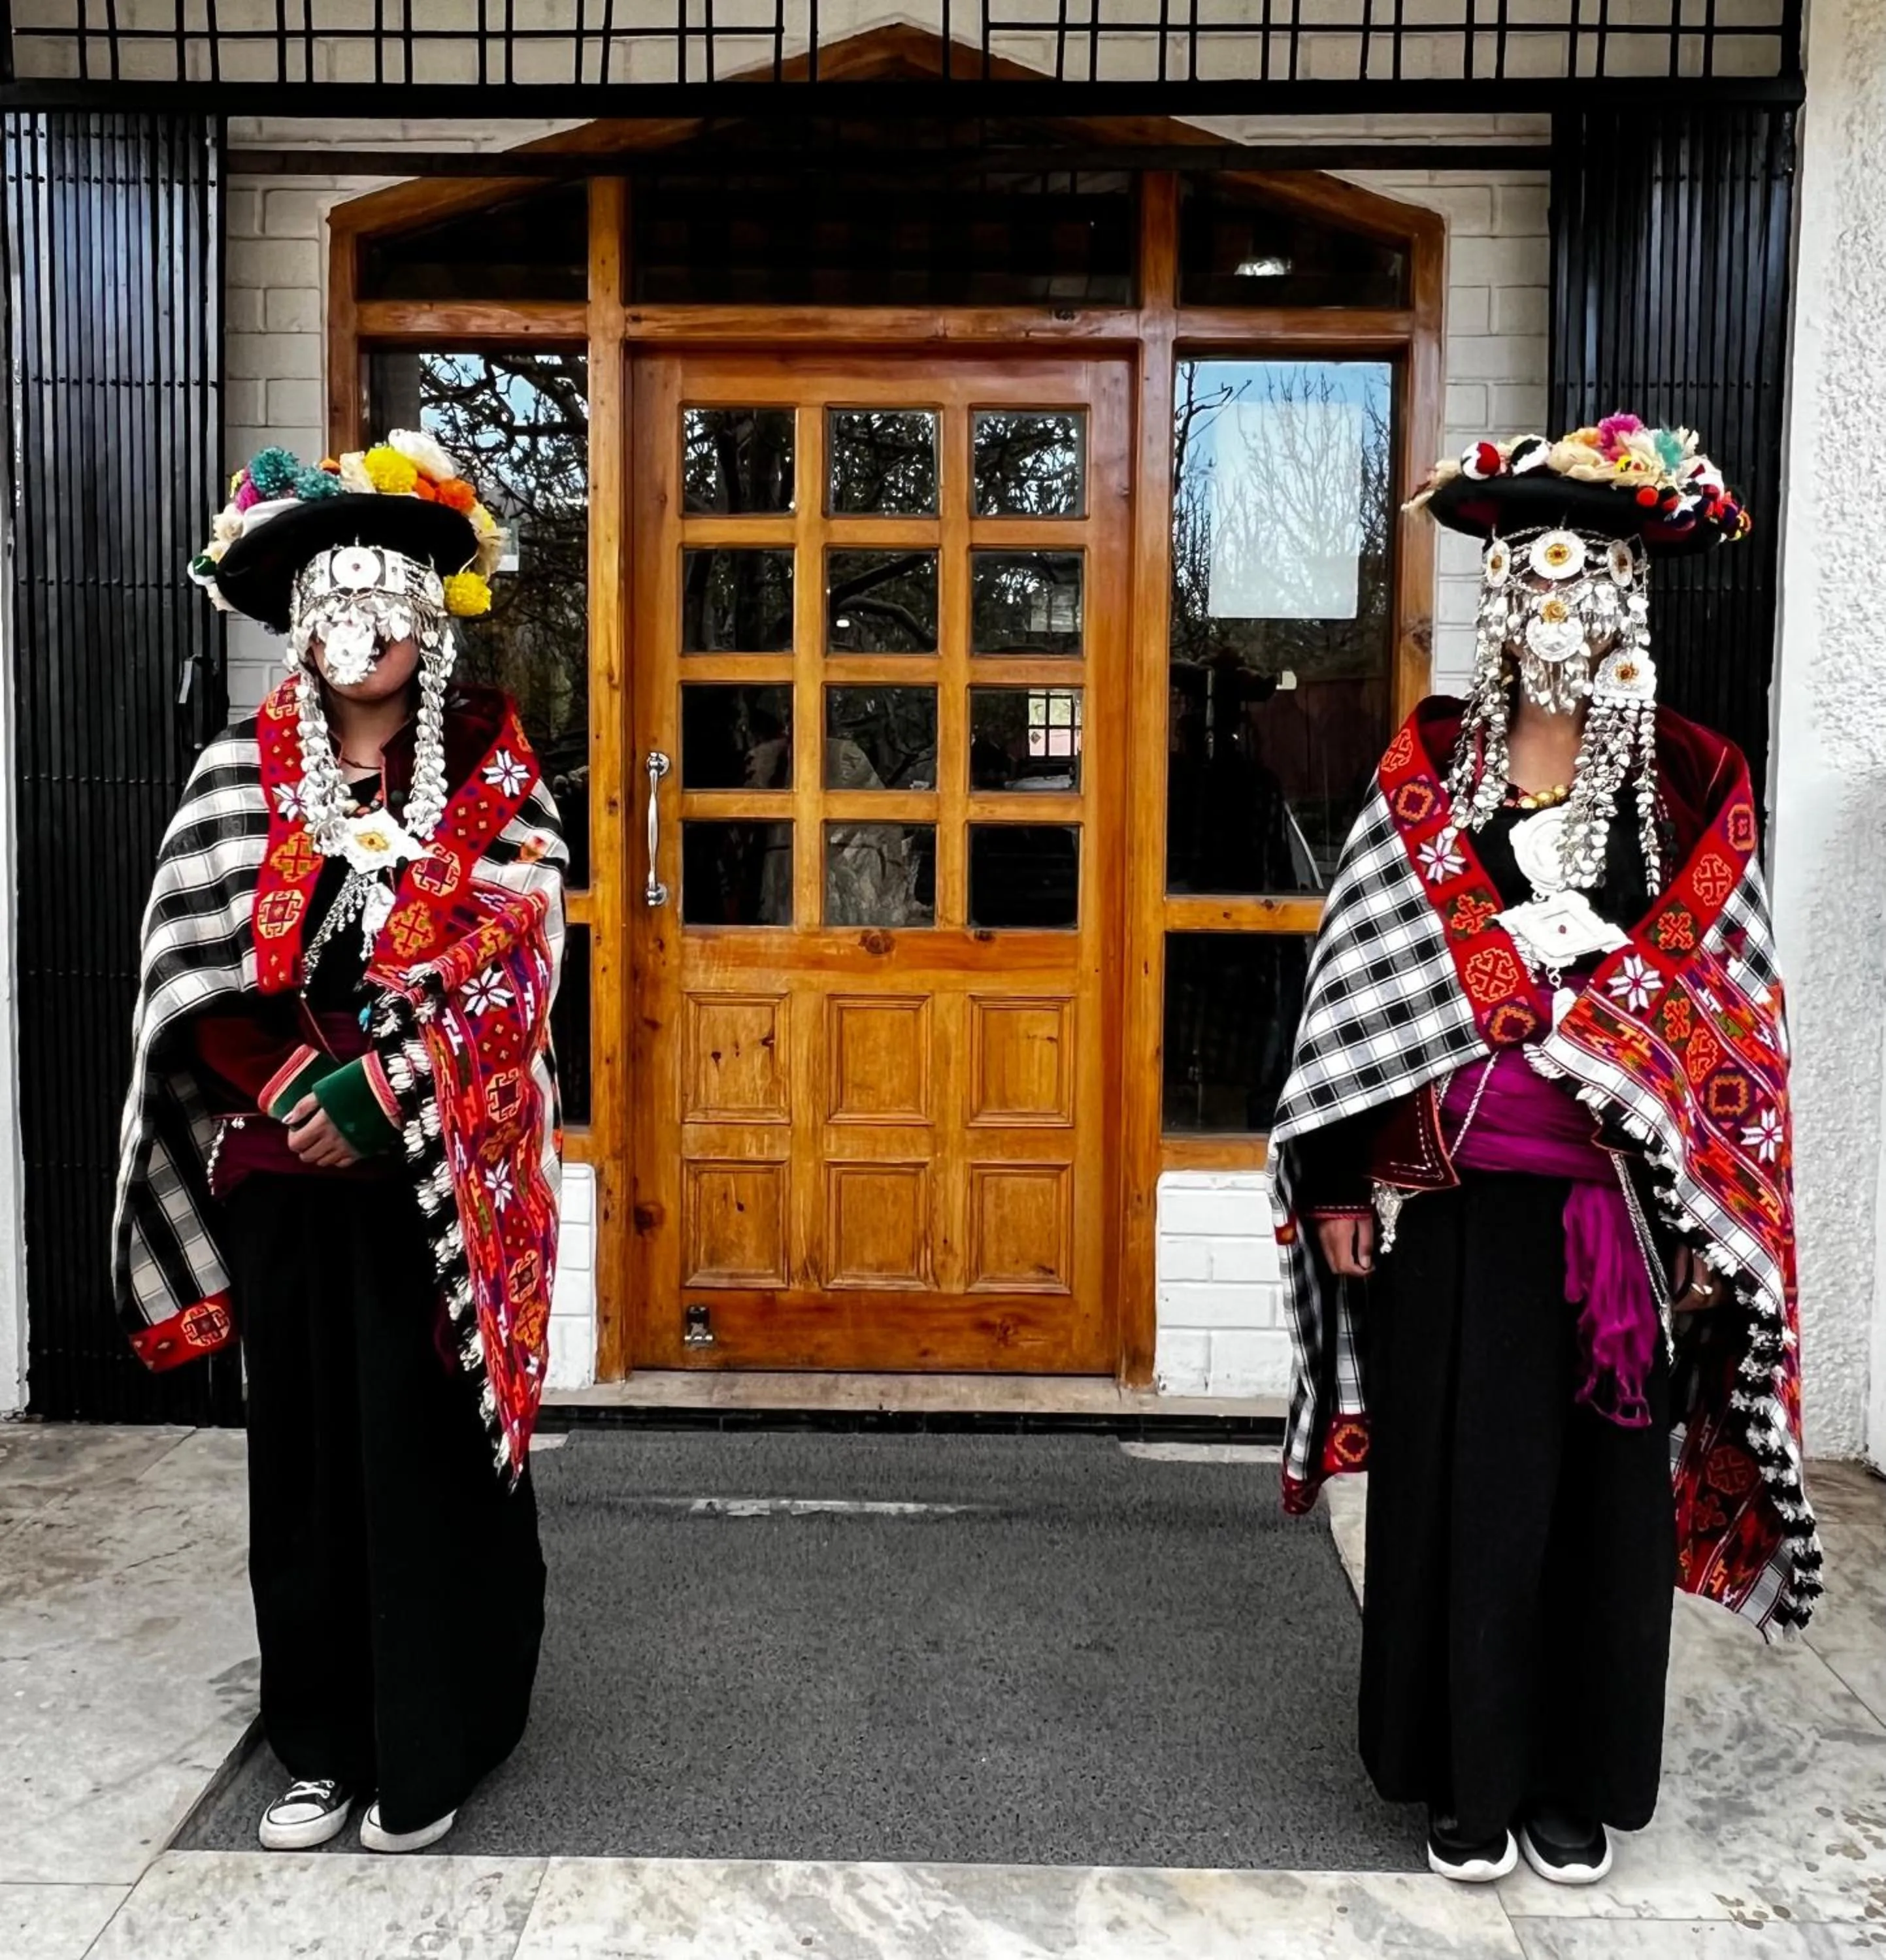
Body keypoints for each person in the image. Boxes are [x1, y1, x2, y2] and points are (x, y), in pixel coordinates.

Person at [1270, 417, 1822, 1887]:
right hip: (1456, 1217)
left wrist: (1716, 1222)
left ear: (1631, 613)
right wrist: (1334, 1181)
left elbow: (1735, 1020)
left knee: (1597, 1516)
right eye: (1535, 591)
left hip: (1623, 1235)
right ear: (1501, 603)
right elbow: (1354, 992)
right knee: (1464, 1499)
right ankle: (1466, 1778)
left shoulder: (1695, 793)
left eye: (1594, 596)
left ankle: (1572, 1781)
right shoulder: (1428, 777)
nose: (1563, 620)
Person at [112, 432, 567, 1854]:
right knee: (304, 1460)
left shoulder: (499, 775)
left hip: (430, 1187)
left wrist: (390, 1092)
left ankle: (438, 1735)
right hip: (284, 1181)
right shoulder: (234, 777)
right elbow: (188, 975)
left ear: (427, 621)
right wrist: (308, 1088)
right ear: (299, 629)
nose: (357, 631)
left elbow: (523, 948)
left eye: (384, 602)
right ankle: (319, 1741)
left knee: (426, 1455)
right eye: (331, 606)